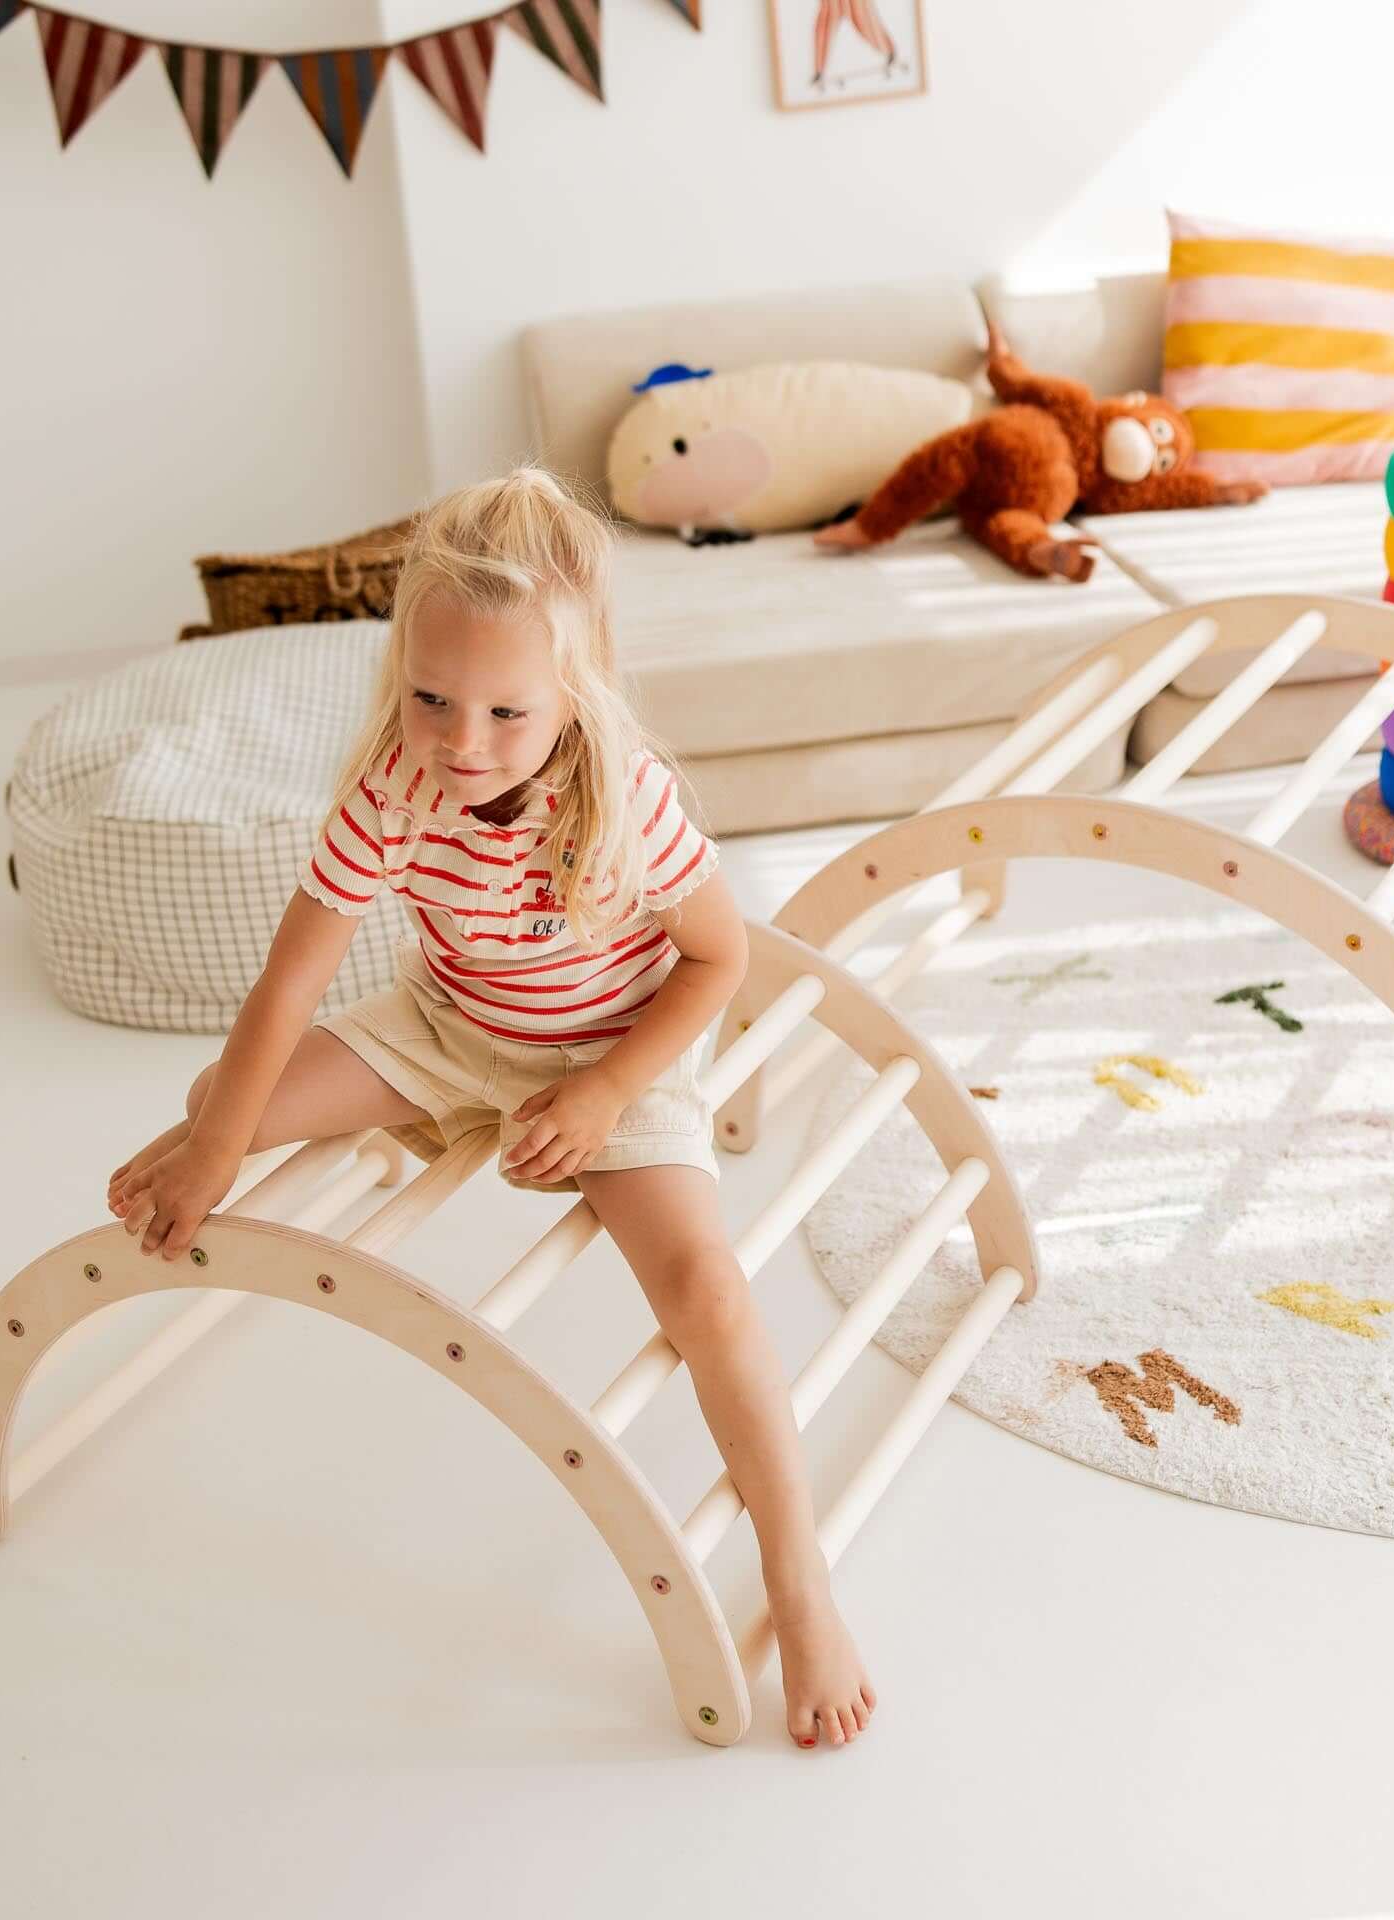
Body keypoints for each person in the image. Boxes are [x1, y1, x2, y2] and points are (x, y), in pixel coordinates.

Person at [105, 466, 875, 1750]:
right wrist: (216, 1149)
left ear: (574, 690)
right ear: (398, 665)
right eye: (431, 698)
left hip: (617, 1046)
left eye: (508, 712)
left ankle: (800, 1581)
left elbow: (719, 960)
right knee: (214, 1096)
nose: (462, 742)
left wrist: (611, 1087)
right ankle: (239, 1138)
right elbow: (291, 980)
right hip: (454, 1031)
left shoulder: (623, 793)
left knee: (708, 1293)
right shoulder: (392, 792)